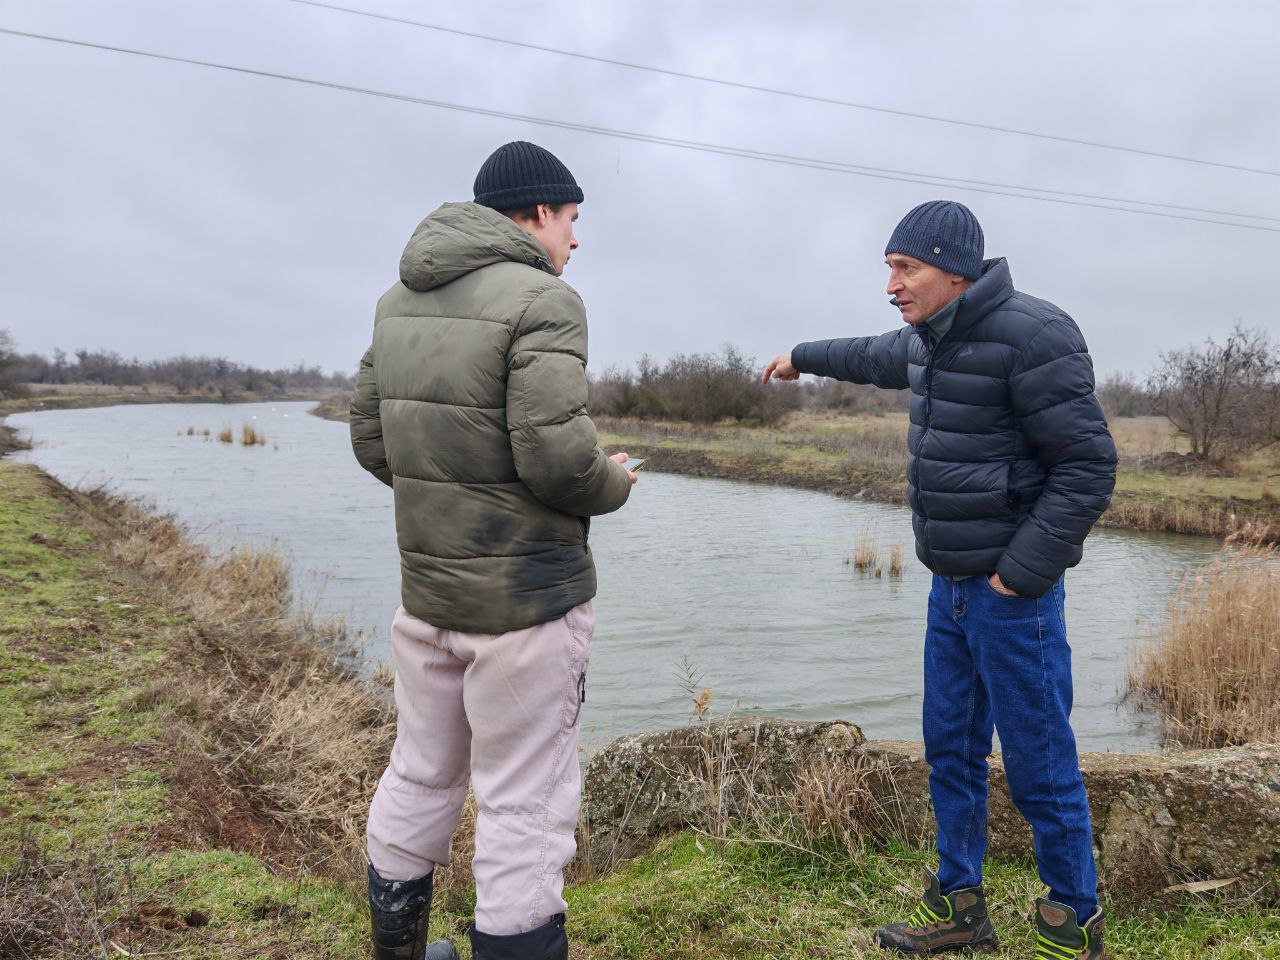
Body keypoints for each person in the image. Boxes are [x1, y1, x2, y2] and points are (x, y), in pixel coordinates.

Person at [764, 200, 1116, 958]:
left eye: (904, 268)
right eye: (888, 267)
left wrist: (1018, 578)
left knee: (1039, 763)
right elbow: (866, 354)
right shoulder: (928, 340)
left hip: (1009, 597)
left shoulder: (1035, 335)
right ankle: (961, 907)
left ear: (953, 270)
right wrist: (802, 354)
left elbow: (1088, 469)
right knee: (950, 752)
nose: (891, 284)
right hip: (948, 589)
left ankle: (1070, 921)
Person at [350, 141, 637, 960]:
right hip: (525, 606)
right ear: (538, 212)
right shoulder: (546, 301)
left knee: (419, 772)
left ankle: (397, 951)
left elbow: (374, 441)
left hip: (428, 597)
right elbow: (555, 458)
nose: (575, 240)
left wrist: (451, 499)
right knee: (524, 802)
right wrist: (612, 482)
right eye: (572, 218)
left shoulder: (395, 301)